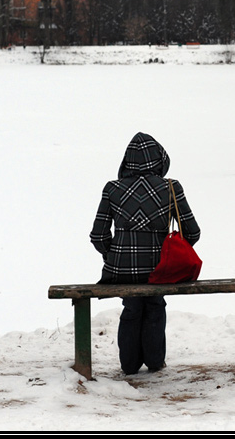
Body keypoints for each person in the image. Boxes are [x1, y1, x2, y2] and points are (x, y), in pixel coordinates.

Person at [90, 132, 201, 375]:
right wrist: (169, 252)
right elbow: (192, 232)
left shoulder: (113, 189)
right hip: (160, 270)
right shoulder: (171, 188)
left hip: (121, 271)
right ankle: (154, 362)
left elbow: (98, 236)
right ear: (160, 160)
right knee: (154, 305)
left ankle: (128, 366)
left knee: (132, 308)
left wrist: (115, 256)